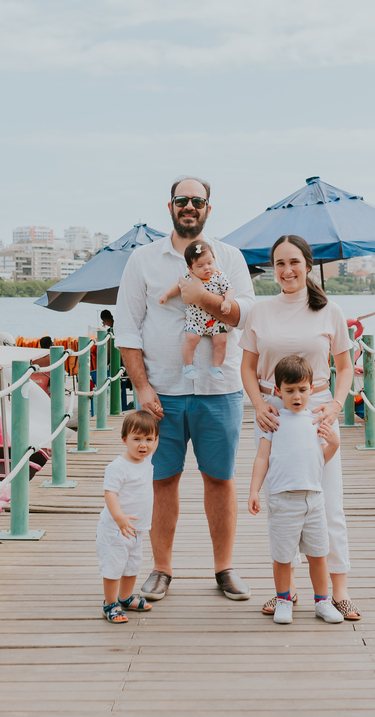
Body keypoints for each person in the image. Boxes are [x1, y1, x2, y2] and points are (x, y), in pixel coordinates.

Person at [116, 175, 256, 602]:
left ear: (208, 208)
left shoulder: (229, 257)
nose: (189, 206)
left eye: (198, 200)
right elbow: (127, 327)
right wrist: (141, 386)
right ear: (171, 206)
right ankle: (161, 570)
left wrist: (205, 298)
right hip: (163, 391)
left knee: (220, 479)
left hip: (221, 389)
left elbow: (246, 314)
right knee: (162, 480)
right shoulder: (143, 259)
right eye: (182, 200)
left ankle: (224, 569)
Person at [239, 234, 361, 621]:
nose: (287, 270)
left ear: (307, 265)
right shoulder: (260, 310)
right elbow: (246, 366)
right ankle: (284, 592)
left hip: (319, 409)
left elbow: (344, 368)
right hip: (272, 412)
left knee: (328, 502)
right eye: (279, 263)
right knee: (281, 503)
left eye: (294, 262)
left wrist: (337, 406)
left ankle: (337, 591)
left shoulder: (330, 311)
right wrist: (259, 406)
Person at [247, 355, 344, 624]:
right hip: (282, 499)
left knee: (318, 555)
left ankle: (322, 602)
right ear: (278, 391)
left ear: (312, 389)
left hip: (313, 499)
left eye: (302, 389)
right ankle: (283, 599)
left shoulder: (316, 420)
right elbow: (262, 458)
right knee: (282, 556)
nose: (297, 396)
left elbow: (319, 460)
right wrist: (254, 490)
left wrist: (333, 443)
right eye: (289, 391)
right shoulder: (273, 420)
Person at [96, 410, 160, 623]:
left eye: (149, 440)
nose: (143, 445)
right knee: (114, 566)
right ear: (124, 440)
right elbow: (110, 494)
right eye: (137, 439)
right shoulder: (118, 467)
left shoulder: (147, 459)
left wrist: (157, 416)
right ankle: (110, 602)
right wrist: (119, 517)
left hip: (138, 528)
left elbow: (154, 439)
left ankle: (125, 597)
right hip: (117, 528)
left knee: (133, 564)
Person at [158, 242, 236, 380]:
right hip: (196, 319)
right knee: (191, 340)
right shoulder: (188, 278)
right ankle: (188, 366)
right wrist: (166, 295)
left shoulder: (219, 276)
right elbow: (178, 286)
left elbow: (229, 290)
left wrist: (227, 301)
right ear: (190, 268)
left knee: (222, 341)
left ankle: (216, 367)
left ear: (214, 259)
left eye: (210, 263)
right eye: (200, 266)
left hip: (216, 319)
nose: (207, 268)